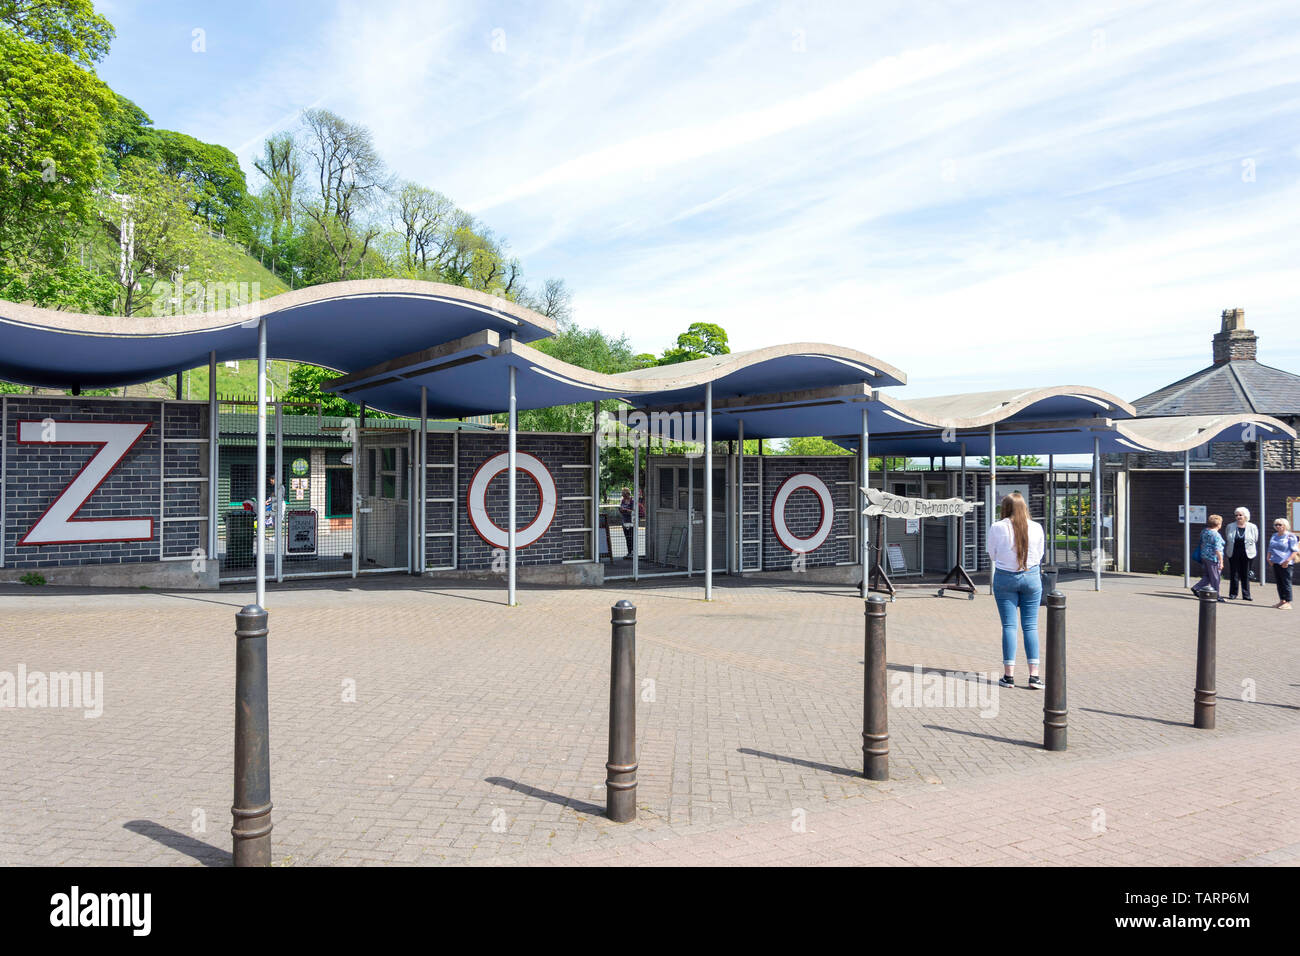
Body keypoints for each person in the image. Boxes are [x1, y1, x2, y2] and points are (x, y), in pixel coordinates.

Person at [986, 491, 1046, 690]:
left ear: (1006, 508)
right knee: (1030, 626)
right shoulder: (1036, 527)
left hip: (1005, 578)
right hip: (1031, 577)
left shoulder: (997, 527)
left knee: (1009, 627)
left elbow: (992, 555)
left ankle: (1009, 676)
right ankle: (1034, 676)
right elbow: (1040, 554)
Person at [1223, 507, 1259, 601]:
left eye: (1240, 515)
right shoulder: (1230, 526)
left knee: (1245, 574)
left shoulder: (1252, 527)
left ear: (1245, 516)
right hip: (1234, 552)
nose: (1238, 517)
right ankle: (1233, 594)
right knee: (1234, 573)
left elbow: (1255, 539)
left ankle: (1246, 595)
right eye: (1236, 515)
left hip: (1247, 552)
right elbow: (1228, 537)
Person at [1267, 518, 1300, 610]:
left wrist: (1287, 561)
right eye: (1276, 525)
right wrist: (1268, 557)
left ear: (1285, 526)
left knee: (1286, 582)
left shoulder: (1290, 536)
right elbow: (1270, 547)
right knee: (1279, 582)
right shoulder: (1274, 535)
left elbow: (1295, 551)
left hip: (1286, 563)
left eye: (1280, 525)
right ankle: (1282, 600)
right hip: (1276, 562)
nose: (1277, 526)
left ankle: (1288, 602)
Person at [1192, 514, 1225, 601]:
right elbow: (1218, 549)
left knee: (1208, 576)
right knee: (1215, 577)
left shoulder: (1204, 531)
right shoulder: (1216, 535)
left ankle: (1196, 587)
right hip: (1213, 558)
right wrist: (1221, 562)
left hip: (1204, 556)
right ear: (1218, 524)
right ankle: (1216, 595)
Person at [618, 487, 636, 558]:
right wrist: (621, 510)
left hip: (631, 521)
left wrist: (625, 510)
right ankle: (629, 552)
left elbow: (634, 511)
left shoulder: (632, 501)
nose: (622, 495)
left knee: (632, 537)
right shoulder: (622, 501)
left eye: (623, 493)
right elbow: (621, 508)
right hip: (624, 521)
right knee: (627, 537)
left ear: (627, 493)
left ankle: (633, 552)